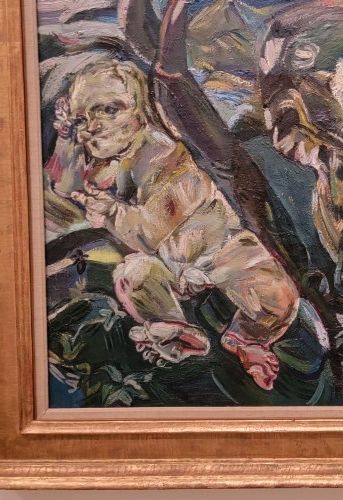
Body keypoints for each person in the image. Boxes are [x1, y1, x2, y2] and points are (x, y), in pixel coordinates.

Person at [44, 59, 300, 390]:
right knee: (132, 276)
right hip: (170, 264)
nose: (96, 125)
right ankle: (175, 329)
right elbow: (64, 187)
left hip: (218, 249)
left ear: (137, 112)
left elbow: (152, 231)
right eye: (85, 115)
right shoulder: (101, 158)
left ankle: (246, 338)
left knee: (278, 298)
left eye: (110, 110)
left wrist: (111, 213)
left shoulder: (161, 151)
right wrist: (66, 139)